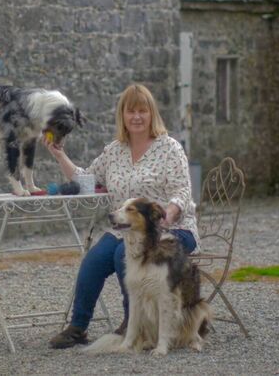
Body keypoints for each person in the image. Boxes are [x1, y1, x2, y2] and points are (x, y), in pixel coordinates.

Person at [44, 84, 199, 349]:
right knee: (92, 262)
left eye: (142, 111)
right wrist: (60, 155)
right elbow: (86, 179)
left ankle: (132, 324)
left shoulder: (170, 148)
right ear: (122, 115)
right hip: (125, 229)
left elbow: (182, 190)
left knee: (121, 256)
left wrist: (170, 214)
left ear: (152, 114)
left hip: (168, 228)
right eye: (131, 111)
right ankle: (78, 327)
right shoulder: (114, 150)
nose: (137, 117)